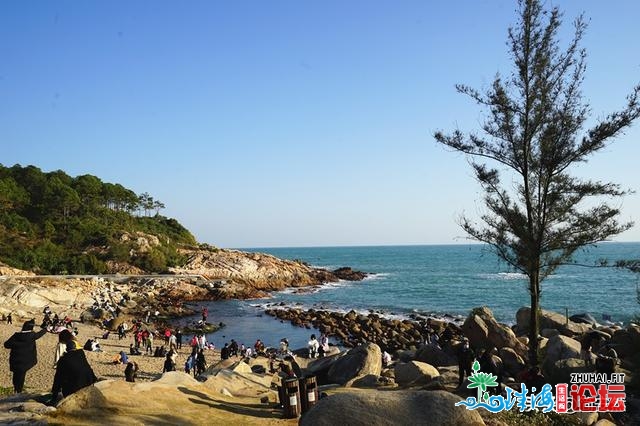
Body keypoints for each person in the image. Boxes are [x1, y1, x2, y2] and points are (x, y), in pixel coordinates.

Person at [4, 319, 47, 393]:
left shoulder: (16, 335)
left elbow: (6, 345)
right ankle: (18, 392)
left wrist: (17, 345)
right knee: (21, 376)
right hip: (25, 361)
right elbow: (39, 334)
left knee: (16, 376)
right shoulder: (32, 335)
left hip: (15, 360)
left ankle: (16, 390)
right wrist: (45, 329)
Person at [51, 335, 97, 399]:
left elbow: (58, 377)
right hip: (88, 381)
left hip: (74, 387)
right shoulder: (81, 354)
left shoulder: (63, 359)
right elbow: (87, 367)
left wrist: (54, 393)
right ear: (75, 348)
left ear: (66, 349)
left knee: (65, 378)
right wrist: (94, 379)